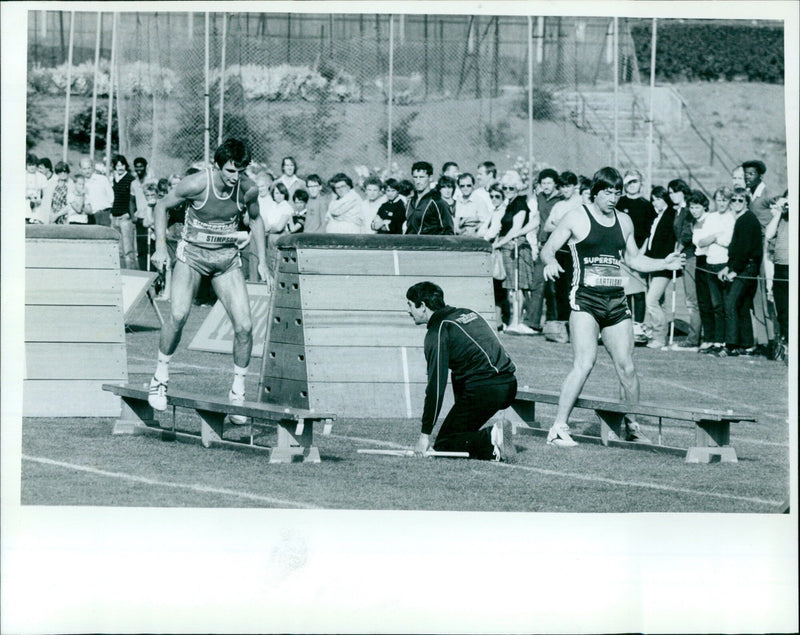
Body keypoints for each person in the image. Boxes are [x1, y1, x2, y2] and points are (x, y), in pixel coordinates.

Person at [540, 167, 685, 447]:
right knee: (585, 363)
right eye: (608, 192)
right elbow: (548, 247)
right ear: (595, 192)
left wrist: (663, 264)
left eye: (617, 192)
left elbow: (634, 260)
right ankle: (558, 427)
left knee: (627, 367)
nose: (613, 197)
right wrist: (551, 262)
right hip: (585, 301)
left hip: (616, 302)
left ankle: (632, 425)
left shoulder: (625, 221)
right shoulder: (577, 217)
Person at [148, 138, 268, 422]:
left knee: (245, 326)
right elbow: (162, 207)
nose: (234, 177)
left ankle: (237, 392)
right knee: (177, 315)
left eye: (240, 171)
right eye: (229, 171)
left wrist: (262, 260)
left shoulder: (248, 190)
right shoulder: (197, 184)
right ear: (218, 166)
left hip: (226, 261)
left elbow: (257, 220)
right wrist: (161, 247)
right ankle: (159, 377)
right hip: (192, 257)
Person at [406, 281, 518, 462]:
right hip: (509, 384)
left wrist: (424, 435)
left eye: (410, 305)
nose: (409, 311)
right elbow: (460, 371)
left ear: (423, 306)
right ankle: (493, 449)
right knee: (461, 434)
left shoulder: (438, 332)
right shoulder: (467, 313)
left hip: (486, 389)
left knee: (443, 445)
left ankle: (492, 436)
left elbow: (436, 387)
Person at [717, 187, 762, 357]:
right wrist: (728, 266)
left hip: (746, 268)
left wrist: (734, 270)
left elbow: (744, 250)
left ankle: (731, 345)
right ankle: (747, 344)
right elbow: (736, 250)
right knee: (742, 306)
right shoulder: (742, 219)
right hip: (743, 267)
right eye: (733, 200)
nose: (736, 203)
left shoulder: (747, 220)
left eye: (740, 200)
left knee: (730, 303)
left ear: (746, 202)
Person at [694, 187, 736, 355]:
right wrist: (715, 237)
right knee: (715, 305)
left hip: (724, 264)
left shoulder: (731, 218)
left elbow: (727, 241)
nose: (721, 203)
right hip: (710, 264)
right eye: (719, 200)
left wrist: (714, 237)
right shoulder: (711, 217)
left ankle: (728, 341)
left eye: (725, 200)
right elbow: (700, 242)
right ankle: (717, 342)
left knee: (726, 305)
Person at [616, 169, 656, 332]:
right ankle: (625, 324)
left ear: (641, 183)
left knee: (639, 291)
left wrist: (640, 254)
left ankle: (638, 326)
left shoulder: (647, 206)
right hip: (620, 254)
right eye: (629, 182)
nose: (632, 186)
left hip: (639, 253)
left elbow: (649, 232)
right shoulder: (619, 203)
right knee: (623, 291)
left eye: (635, 182)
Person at [641, 186, 679, 350]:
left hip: (664, 263)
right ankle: (656, 334)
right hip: (653, 262)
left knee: (652, 300)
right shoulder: (657, 216)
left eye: (659, 198)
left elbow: (672, 239)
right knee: (658, 301)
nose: (655, 202)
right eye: (653, 199)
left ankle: (658, 337)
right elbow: (651, 239)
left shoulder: (671, 214)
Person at [669, 179, 700, 348]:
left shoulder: (688, 210)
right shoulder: (679, 210)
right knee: (690, 299)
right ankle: (695, 335)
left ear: (683, 191)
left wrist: (677, 250)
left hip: (691, 257)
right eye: (670, 193)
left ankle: (694, 338)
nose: (672, 195)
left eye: (675, 191)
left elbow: (687, 235)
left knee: (692, 300)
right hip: (684, 257)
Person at [764, 194, 789, 352]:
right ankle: (786, 342)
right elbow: (769, 234)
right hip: (780, 267)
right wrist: (780, 211)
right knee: (782, 310)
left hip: (792, 266)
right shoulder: (781, 218)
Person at [404, 161, 453, 235]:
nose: (418, 181)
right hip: (410, 245)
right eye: (415, 177)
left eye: (421, 177)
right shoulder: (410, 201)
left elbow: (448, 232)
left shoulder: (438, 202)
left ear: (430, 178)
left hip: (429, 245)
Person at [109, 154, 139, 269]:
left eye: (122, 165)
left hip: (125, 218)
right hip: (114, 217)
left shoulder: (130, 179)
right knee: (117, 250)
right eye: (117, 165)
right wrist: (111, 213)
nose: (120, 167)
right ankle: (120, 273)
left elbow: (132, 199)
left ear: (125, 165)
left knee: (128, 250)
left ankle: (131, 273)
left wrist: (129, 213)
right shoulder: (114, 179)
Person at [454, 172, 491, 237]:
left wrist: (473, 229)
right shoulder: (457, 201)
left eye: (468, 185)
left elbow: (485, 222)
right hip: (458, 236)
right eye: (462, 186)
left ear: (473, 186)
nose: (465, 188)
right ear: (459, 187)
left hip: (473, 236)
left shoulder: (479, 201)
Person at [79, 156, 114, 226]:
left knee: (105, 235)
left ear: (92, 168)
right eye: (84, 169)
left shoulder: (102, 179)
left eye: (89, 168)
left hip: (104, 214)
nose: (87, 171)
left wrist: (108, 212)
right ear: (80, 170)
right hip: (91, 216)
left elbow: (111, 196)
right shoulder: (81, 183)